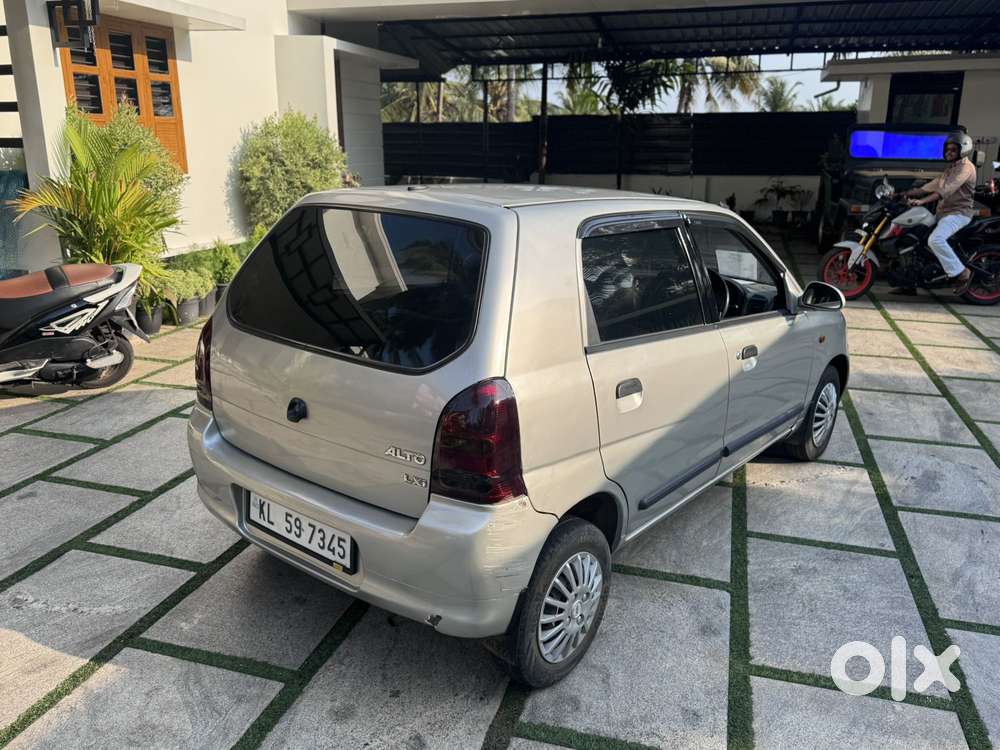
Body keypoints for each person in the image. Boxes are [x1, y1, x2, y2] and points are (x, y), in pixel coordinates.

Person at [901, 132, 977, 293]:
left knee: (935, 240)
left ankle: (962, 273)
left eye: (953, 149)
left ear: (962, 150)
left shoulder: (966, 168)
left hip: (958, 214)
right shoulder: (951, 168)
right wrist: (904, 193)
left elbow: (946, 190)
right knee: (914, 237)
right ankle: (910, 283)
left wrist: (922, 201)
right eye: (947, 149)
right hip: (942, 214)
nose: (949, 152)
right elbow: (931, 185)